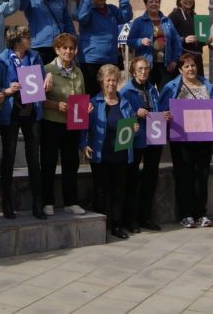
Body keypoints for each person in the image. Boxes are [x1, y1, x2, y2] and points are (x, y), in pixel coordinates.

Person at [0, 25, 44, 220]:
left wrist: (45, 78)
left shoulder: (35, 57)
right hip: (11, 112)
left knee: (33, 158)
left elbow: (39, 80)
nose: (29, 39)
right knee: (9, 157)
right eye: (26, 36)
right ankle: (7, 203)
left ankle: (37, 204)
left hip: (31, 111)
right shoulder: (2, 60)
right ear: (15, 39)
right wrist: (7, 90)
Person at [81, 64, 136, 239]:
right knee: (101, 190)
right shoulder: (93, 103)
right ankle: (99, 225)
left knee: (119, 191)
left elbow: (132, 122)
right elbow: (84, 127)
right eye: (108, 80)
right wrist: (84, 144)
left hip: (120, 152)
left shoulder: (125, 102)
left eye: (114, 80)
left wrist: (135, 127)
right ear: (101, 82)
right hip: (100, 152)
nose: (111, 83)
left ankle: (117, 225)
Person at [166, 53, 213, 228]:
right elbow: (161, 109)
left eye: (193, 65)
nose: (191, 69)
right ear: (180, 69)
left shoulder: (207, 86)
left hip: (203, 138)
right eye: (187, 66)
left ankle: (201, 213)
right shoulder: (172, 87)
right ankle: (186, 214)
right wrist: (165, 116)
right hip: (182, 139)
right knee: (184, 176)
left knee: (201, 176)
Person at [40, 33, 90, 216]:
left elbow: (82, 96)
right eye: (65, 48)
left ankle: (71, 201)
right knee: (48, 163)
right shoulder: (46, 70)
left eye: (71, 48)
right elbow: (37, 99)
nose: (68, 51)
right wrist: (55, 105)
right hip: (52, 123)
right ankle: (47, 201)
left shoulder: (78, 72)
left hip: (72, 124)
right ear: (57, 50)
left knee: (71, 163)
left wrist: (87, 106)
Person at [120, 56, 170, 232]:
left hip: (153, 138)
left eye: (146, 69)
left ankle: (145, 216)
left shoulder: (152, 89)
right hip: (136, 139)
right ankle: (130, 219)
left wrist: (164, 115)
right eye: (140, 69)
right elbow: (122, 114)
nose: (143, 72)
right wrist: (135, 112)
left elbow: (156, 111)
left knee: (150, 178)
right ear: (133, 71)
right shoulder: (126, 91)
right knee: (132, 180)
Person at [77, 0, 133, 96]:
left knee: (109, 94)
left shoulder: (111, 10)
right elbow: (81, 17)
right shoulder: (88, 9)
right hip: (91, 61)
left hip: (110, 60)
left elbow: (126, 17)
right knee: (90, 95)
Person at [129, 0, 183, 94]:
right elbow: (130, 41)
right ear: (146, 5)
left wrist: (174, 60)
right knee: (145, 94)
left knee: (167, 94)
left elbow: (176, 42)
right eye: (151, 1)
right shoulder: (139, 22)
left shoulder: (167, 21)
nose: (154, 4)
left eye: (156, 1)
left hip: (165, 65)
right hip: (146, 66)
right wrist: (141, 41)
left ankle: (165, 111)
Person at [19, 0, 76, 64]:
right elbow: (20, 4)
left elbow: (68, 23)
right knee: (36, 77)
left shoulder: (60, 0)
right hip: (37, 47)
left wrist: (73, 43)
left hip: (59, 48)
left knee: (57, 77)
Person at [167, 0, 204, 74]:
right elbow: (168, 37)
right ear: (179, 0)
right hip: (183, 59)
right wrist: (184, 40)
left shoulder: (196, 17)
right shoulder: (174, 16)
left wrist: (206, 40)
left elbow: (199, 40)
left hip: (197, 59)